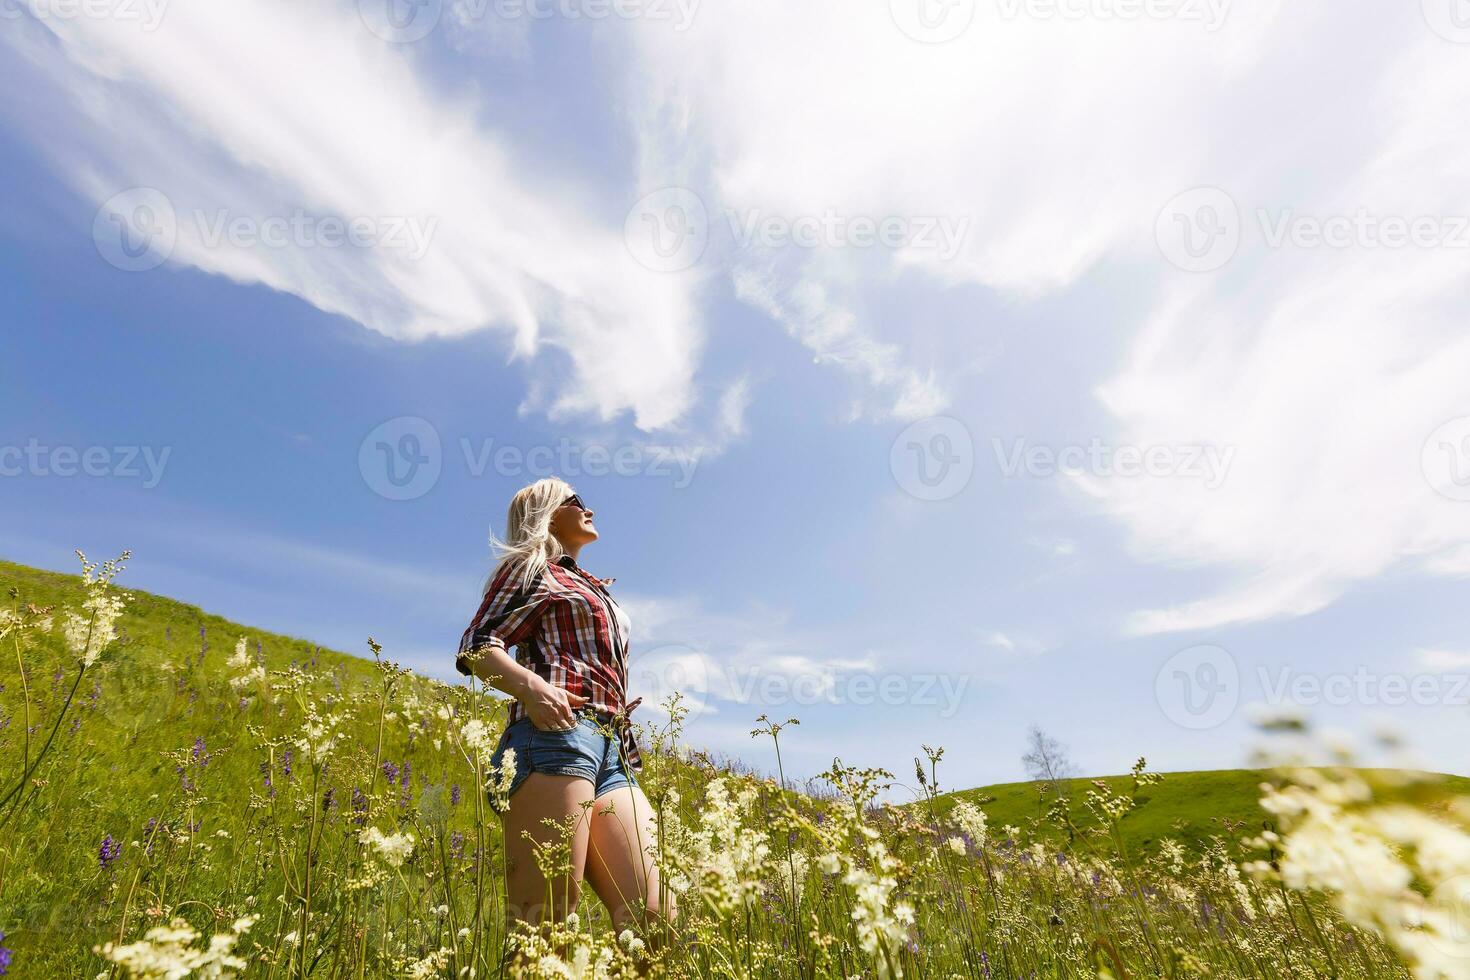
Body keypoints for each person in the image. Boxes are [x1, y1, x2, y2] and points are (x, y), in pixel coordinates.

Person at [455, 476, 669, 940]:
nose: (590, 509)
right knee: (545, 927)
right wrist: (532, 688)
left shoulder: (590, 585)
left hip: (614, 753)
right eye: (577, 501)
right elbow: (477, 646)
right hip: (555, 738)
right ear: (549, 512)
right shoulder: (533, 567)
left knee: (655, 921)